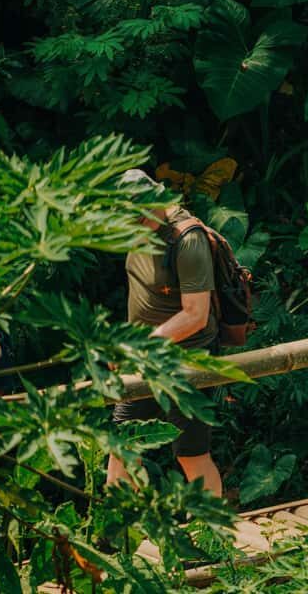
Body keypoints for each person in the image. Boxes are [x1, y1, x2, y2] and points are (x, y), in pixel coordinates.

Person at [106, 169, 223, 496]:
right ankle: (120, 525)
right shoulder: (138, 230)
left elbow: (195, 315)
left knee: (191, 455)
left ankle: (211, 526)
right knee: (122, 447)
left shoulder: (187, 240)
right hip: (144, 360)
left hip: (188, 357)